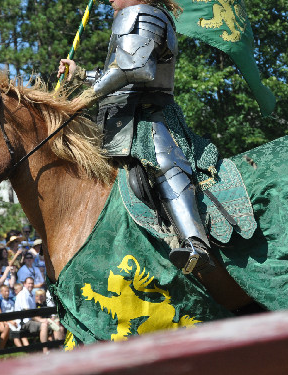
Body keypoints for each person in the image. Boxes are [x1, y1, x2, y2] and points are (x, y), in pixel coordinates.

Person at [57, 0, 217, 273]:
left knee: (162, 160)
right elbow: (120, 71)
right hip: (119, 120)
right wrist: (81, 75)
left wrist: (87, 95)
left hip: (148, 115)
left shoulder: (142, 13)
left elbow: (138, 68)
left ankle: (195, 243)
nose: (110, 0)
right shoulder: (134, 15)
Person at [14, 277, 50, 353]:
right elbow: (28, 312)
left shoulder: (31, 294)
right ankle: (45, 350)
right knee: (44, 325)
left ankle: (58, 346)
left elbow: (34, 311)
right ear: (24, 284)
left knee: (52, 324)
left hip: (30, 320)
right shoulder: (23, 294)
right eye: (29, 283)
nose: (31, 285)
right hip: (23, 322)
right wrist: (40, 320)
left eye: (32, 283)